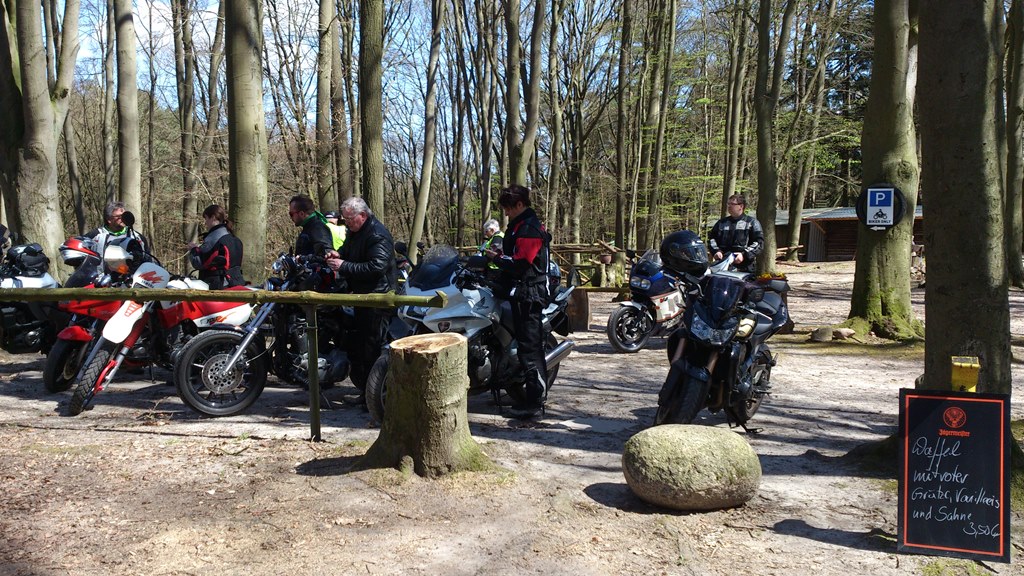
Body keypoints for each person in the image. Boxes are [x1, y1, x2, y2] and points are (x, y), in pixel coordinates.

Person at [485, 185, 552, 418]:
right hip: (520, 291)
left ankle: (535, 401)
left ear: (520, 205)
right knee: (523, 345)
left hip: (530, 294)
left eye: (508, 208)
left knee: (530, 348)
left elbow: (521, 262)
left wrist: (497, 259)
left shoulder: (529, 228)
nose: (506, 212)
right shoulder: (519, 225)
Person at [325, 196, 397, 404]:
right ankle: (366, 394)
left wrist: (344, 266)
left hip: (378, 298)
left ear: (362, 216)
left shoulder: (377, 234)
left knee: (372, 348)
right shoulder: (356, 231)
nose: (346, 223)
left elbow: (377, 267)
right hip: (362, 296)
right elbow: (348, 250)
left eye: (349, 219)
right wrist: (337, 254)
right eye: (345, 219)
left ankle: (376, 398)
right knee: (361, 347)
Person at [188, 204, 245, 289]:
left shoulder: (213, 239)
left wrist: (193, 250)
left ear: (213, 218)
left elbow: (199, 263)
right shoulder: (236, 239)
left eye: (206, 218)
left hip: (218, 286)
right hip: (237, 283)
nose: (205, 223)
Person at [708, 194, 764, 273]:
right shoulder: (721, 223)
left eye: (732, 204)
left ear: (741, 206)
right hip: (723, 265)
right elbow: (712, 239)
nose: (729, 206)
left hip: (745, 267)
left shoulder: (752, 223)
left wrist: (744, 255)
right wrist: (716, 251)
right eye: (728, 204)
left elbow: (759, 243)